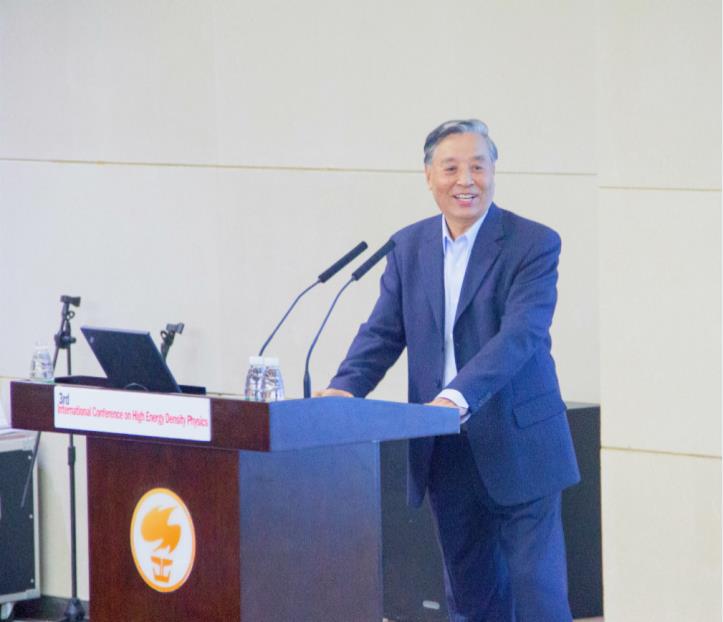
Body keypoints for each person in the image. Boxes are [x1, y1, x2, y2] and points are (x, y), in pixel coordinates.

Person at [315, 119, 580, 621]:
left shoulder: (533, 243)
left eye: (478, 166)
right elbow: (383, 333)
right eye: (452, 168)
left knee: (537, 597)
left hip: (520, 444)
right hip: (445, 450)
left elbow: (520, 336)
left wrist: (456, 396)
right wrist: (343, 389)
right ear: (428, 175)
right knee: (471, 598)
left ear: (494, 171)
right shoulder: (408, 247)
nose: (466, 180)